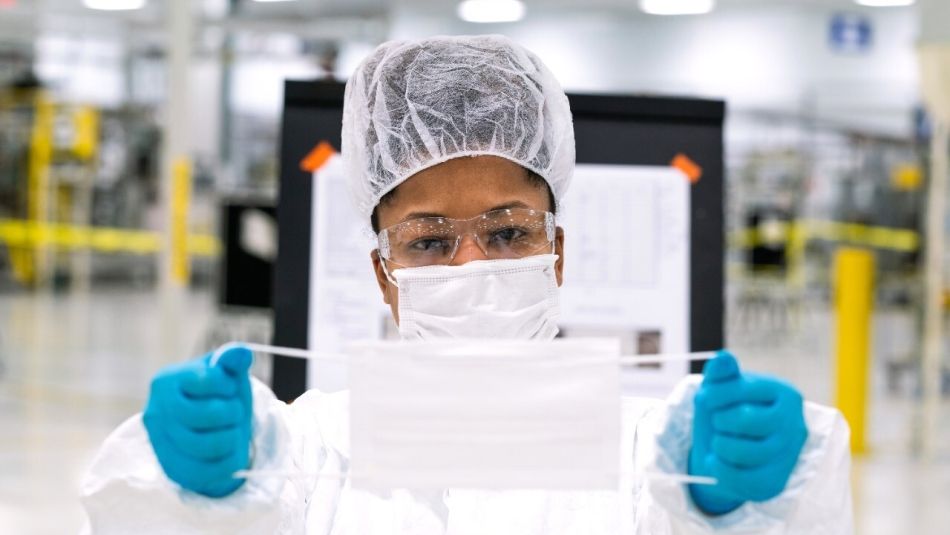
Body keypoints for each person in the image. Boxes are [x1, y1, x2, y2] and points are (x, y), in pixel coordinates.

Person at [80, 35, 852, 534]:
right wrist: (201, 486)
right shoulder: (309, 451)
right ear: (385, 277)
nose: (473, 266)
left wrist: (734, 502)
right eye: (428, 241)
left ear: (557, 252)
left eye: (509, 230)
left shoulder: (647, 454)